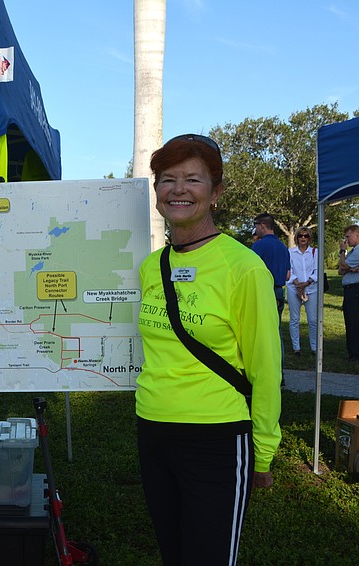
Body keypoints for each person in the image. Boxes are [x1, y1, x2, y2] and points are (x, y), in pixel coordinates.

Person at [136, 134, 282, 565]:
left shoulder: (244, 268)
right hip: (153, 428)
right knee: (173, 553)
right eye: (167, 179)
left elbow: (265, 366)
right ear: (157, 191)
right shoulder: (152, 267)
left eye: (193, 179)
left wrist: (264, 450)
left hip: (216, 436)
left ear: (215, 193)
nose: (178, 189)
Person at [287, 227, 319, 355]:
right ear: (297, 238)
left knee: (313, 320)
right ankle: (296, 348)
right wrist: (298, 285)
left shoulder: (314, 252)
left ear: (309, 238)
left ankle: (314, 347)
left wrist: (307, 283)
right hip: (293, 288)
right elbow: (289, 270)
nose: (303, 238)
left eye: (306, 236)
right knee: (294, 319)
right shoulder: (290, 252)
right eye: (300, 235)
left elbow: (317, 271)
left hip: (311, 288)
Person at [338, 225, 359, 362]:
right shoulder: (352, 252)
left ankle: (355, 353)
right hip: (349, 289)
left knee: (354, 321)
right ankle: (351, 351)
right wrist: (348, 267)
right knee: (349, 320)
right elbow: (340, 270)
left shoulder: (357, 251)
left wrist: (342, 251)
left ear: (357, 235)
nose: (346, 240)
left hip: (355, 289)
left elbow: (343, 265)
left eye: (348, 236)